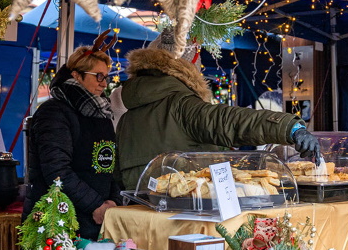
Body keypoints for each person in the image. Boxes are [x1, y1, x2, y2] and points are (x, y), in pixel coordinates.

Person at [114, 33, 319, 191]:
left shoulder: (129, 115)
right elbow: (229, 121)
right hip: (184, 209)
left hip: (140, 209)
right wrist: (290, 127)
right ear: (188, 70)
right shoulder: (181, 104)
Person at [24, 45, 122, 239]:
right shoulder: (54, 112)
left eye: (106, 77)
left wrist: (113, 200)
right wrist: (95, 204)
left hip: (96, 221)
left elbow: (109, 167)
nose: (104, 84)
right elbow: (57, 171)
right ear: (77, 76)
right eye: (98, 76)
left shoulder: (102, 113)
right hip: (58, 221)